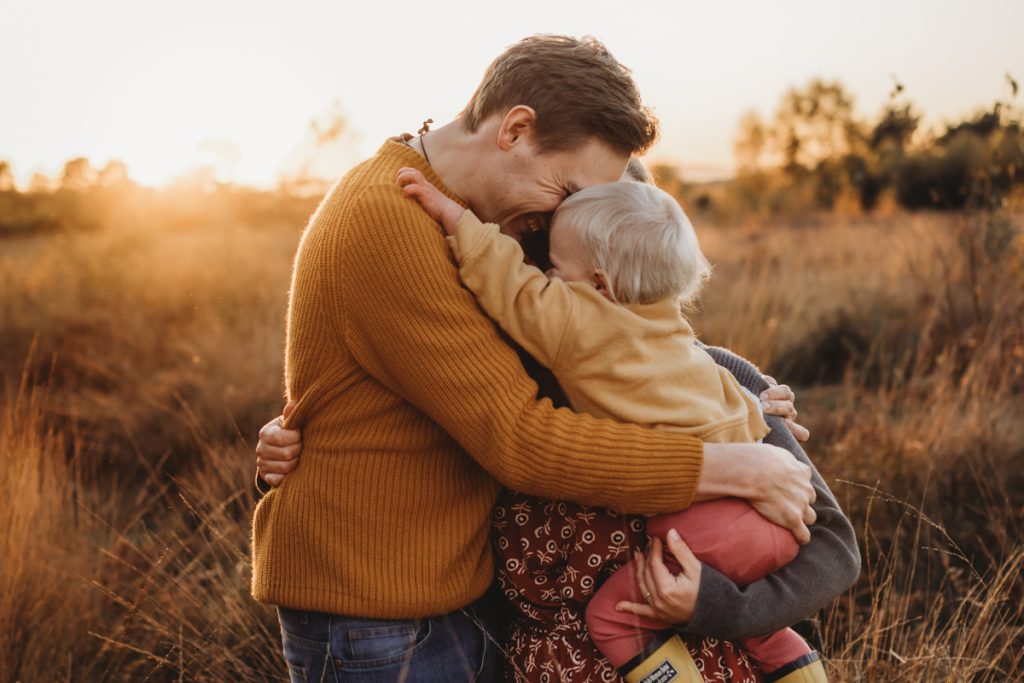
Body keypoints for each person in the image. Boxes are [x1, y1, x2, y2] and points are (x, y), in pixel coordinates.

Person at [251, 34, 834, 682]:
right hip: (378, 613)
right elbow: (521, 437)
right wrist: (732, 464)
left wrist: (735, 394)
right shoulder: (387, 221)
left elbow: (619, 338)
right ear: (516, 129)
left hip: (458, 592)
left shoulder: (500, 224)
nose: (568, 215)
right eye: (568, 188)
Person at [392, 169, 828, 683]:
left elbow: (834, 547)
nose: (547, 279)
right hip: (740, 555)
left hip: (694, 615)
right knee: (756, 628)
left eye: (554, 266)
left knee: (614, 617)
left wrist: (454, 218)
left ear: (599, 282)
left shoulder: (608, 338)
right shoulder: (667, 341)